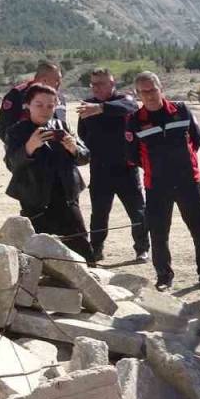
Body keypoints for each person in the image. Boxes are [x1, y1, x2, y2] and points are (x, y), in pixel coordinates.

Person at [125, 71, 200, 291]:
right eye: (144, 92)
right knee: (158, 232)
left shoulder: (181, 110)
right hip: (157, 186)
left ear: (160, 88)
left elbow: (197, 139)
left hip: (188, 182)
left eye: (152, 89)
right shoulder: (134, 121)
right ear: (138, 94)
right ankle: (164, 276)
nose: (149, 95)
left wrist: (183, 163)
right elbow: (132, 156)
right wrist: (155, 169)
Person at [3, 83, 92, 260]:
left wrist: (74, 149)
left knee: (80, 245)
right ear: (27, 105)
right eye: (39, 105)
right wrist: (29, 147)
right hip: (35, 199)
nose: (45, 110)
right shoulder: (16, 131)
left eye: (50, 105)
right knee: (40, 251)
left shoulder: (62, 126)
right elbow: (12, 164)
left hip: (66, 196)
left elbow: (85, 157)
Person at [77, 68, 149, 265]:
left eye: (101, 83)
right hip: (100, 170)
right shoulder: (87, 105)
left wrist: (100, 109)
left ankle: (142, 248)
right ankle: (97, 249)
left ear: (112, 83)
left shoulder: (124, 100)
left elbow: (130, 106)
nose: (96, 87)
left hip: (126, 169)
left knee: (137, 212)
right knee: (99, 214)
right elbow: (82, 134)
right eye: (93, 84)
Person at [0, 61, 65, 142]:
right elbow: (2, 126)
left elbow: (62, 124)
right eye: (57, 80)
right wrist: (18, 148)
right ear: (44, 80)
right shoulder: (17, 95)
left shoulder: (60, 97)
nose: (60, 83)